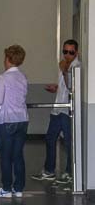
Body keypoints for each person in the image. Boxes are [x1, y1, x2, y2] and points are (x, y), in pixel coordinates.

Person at [31, 39, 81, 184]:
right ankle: (49, 171)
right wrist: (56, 88)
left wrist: (65, 71)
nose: (67, 55)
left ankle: (70, 172)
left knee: (69, 142)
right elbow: (64, 87)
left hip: (67, 110)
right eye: (65, 51)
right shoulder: (64, 65)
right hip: (58, 107)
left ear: (76, 52)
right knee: (50, 138)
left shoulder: (76, 66)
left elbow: (72, 87)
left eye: (71, 52)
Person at [0, 45, 29, 198]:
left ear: (8, 59)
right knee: (18, 155)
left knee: (6, 156)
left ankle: (6, 188)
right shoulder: (23, 77)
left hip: (6, 120)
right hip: (22, 120)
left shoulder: (2, 77)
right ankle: (18, 189)